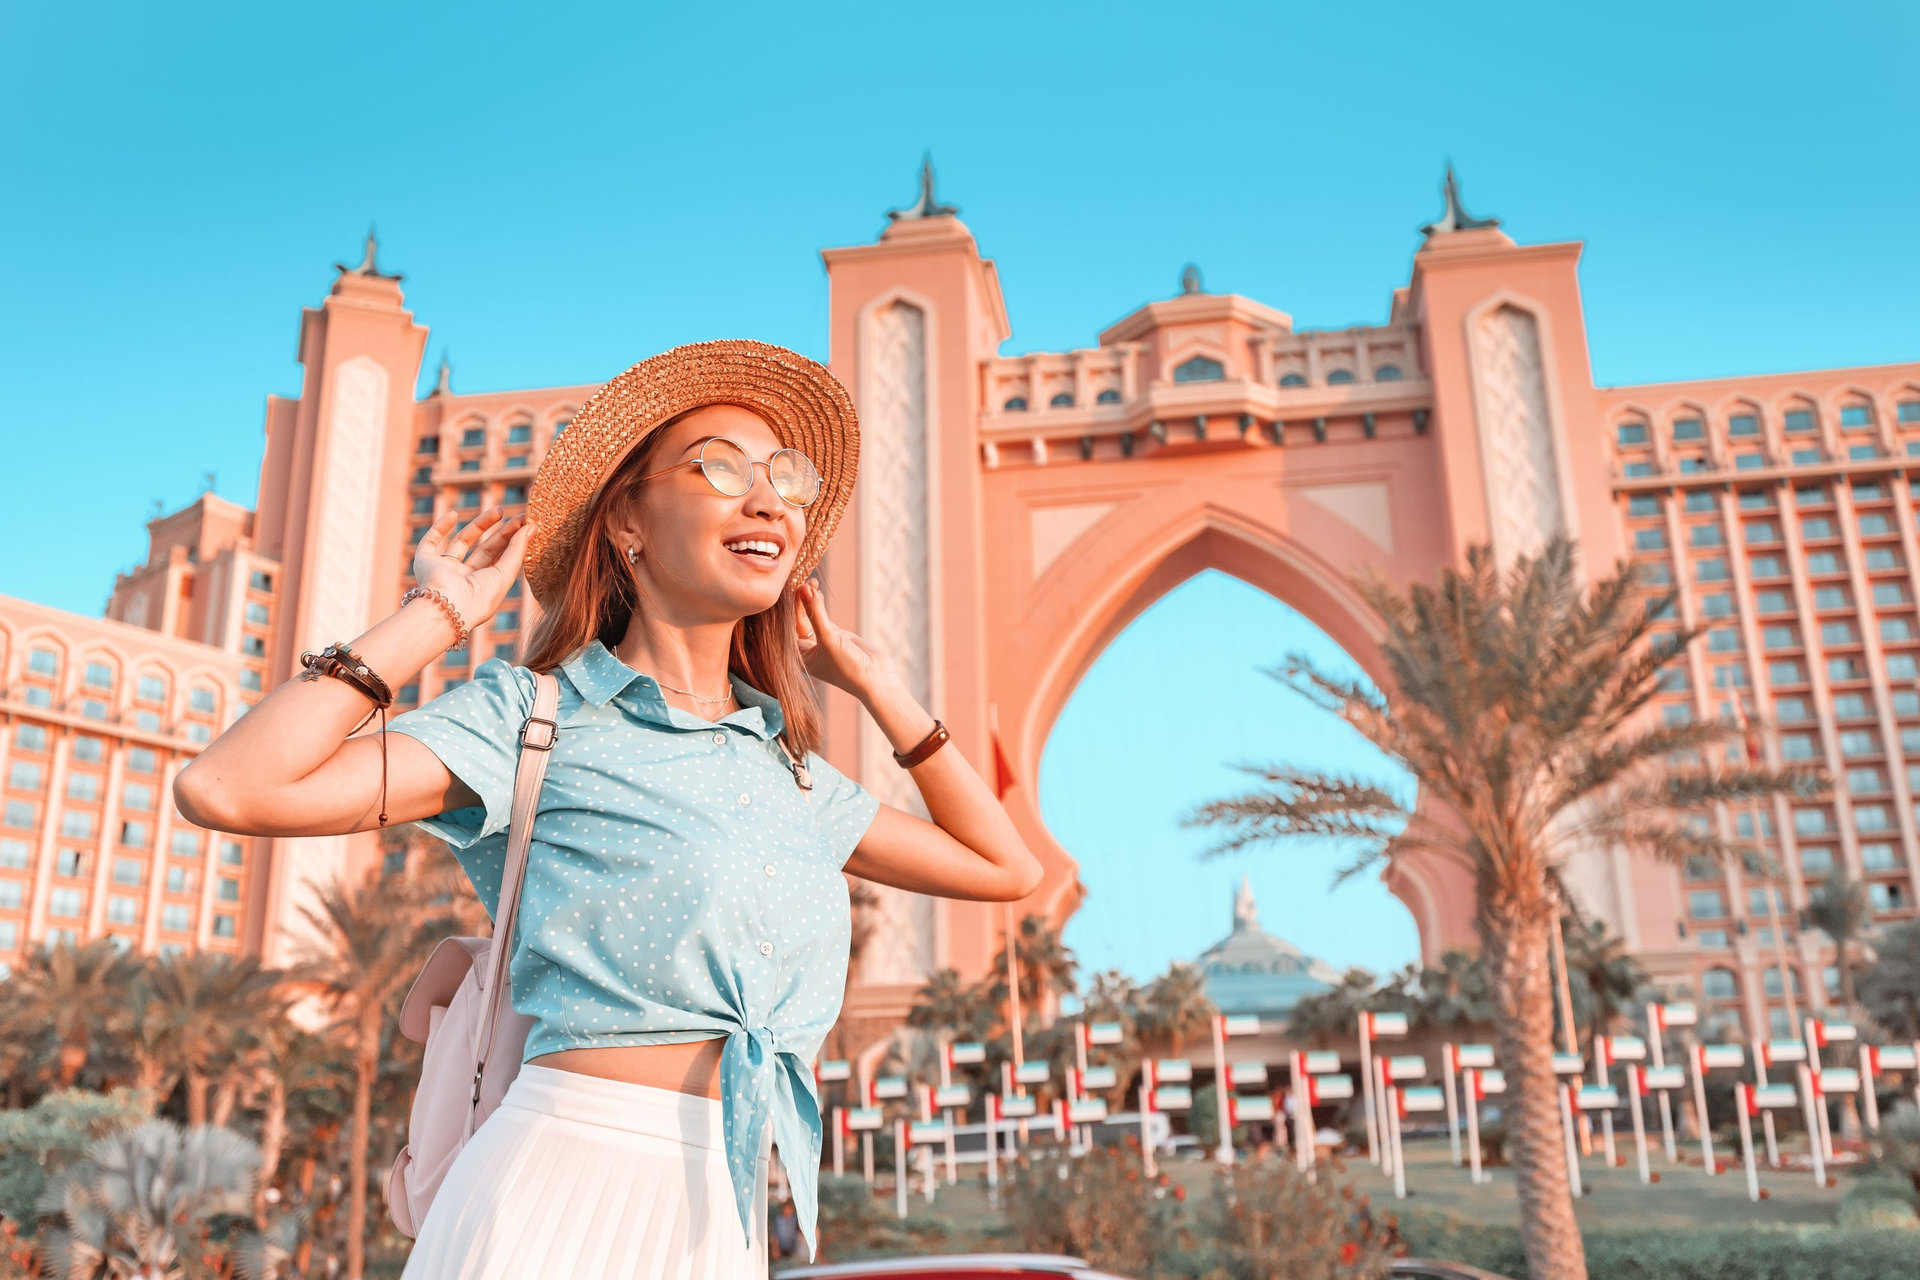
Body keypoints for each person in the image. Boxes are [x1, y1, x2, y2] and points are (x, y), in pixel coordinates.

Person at [174, 340, 1044, 1279]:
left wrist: (879, 687)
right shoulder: (535, 718)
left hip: (723, 1212)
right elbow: (229, 788)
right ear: (628, 517)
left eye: (787, 478)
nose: (769, 501)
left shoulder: (787, 773)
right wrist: (439, 613)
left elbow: (1006, 868)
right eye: (721, 467)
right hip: (554, 1191)